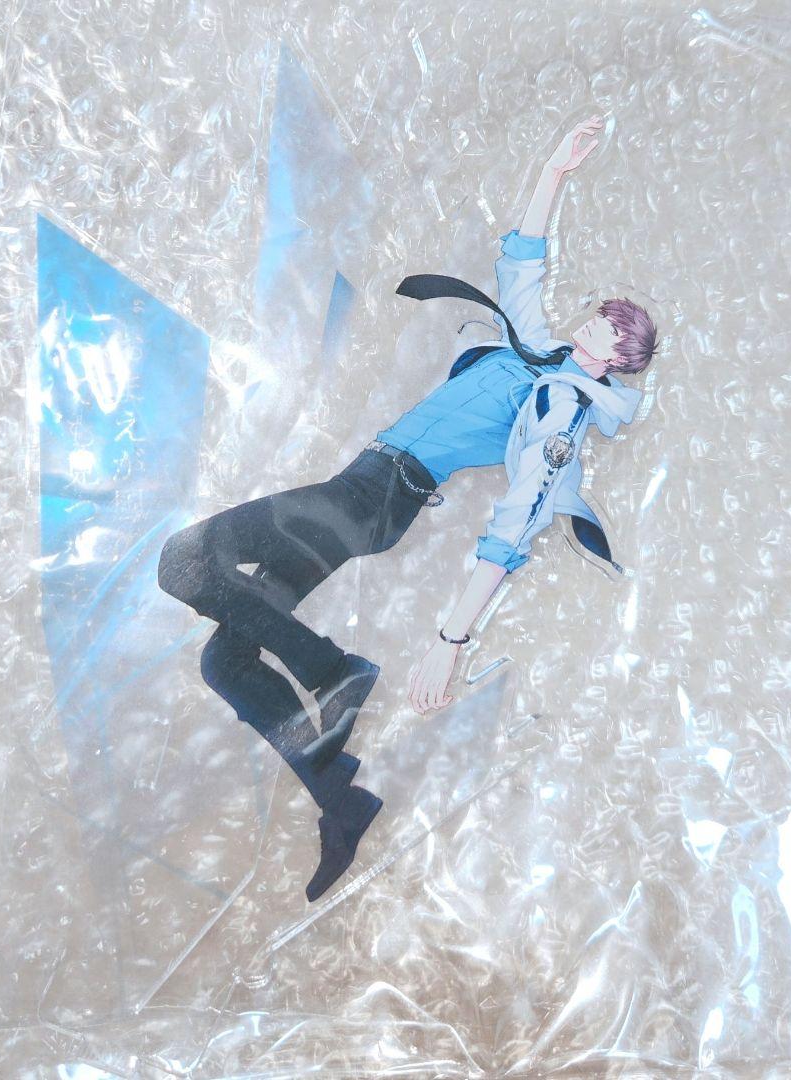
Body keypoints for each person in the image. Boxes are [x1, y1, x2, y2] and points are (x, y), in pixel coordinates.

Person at [157, 115, 658, 902]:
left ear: (616, 354)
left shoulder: (562, 408)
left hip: (376, 497)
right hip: (365, 485)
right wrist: (554, 172)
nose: (591, 316)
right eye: (597, 311)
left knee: (182, 561)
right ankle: (341, 800)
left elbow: (516, 522)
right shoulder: (537, 350)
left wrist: (451, 641)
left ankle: (334, 672)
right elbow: (522, 262)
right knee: (225, 660)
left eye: (606, 322)